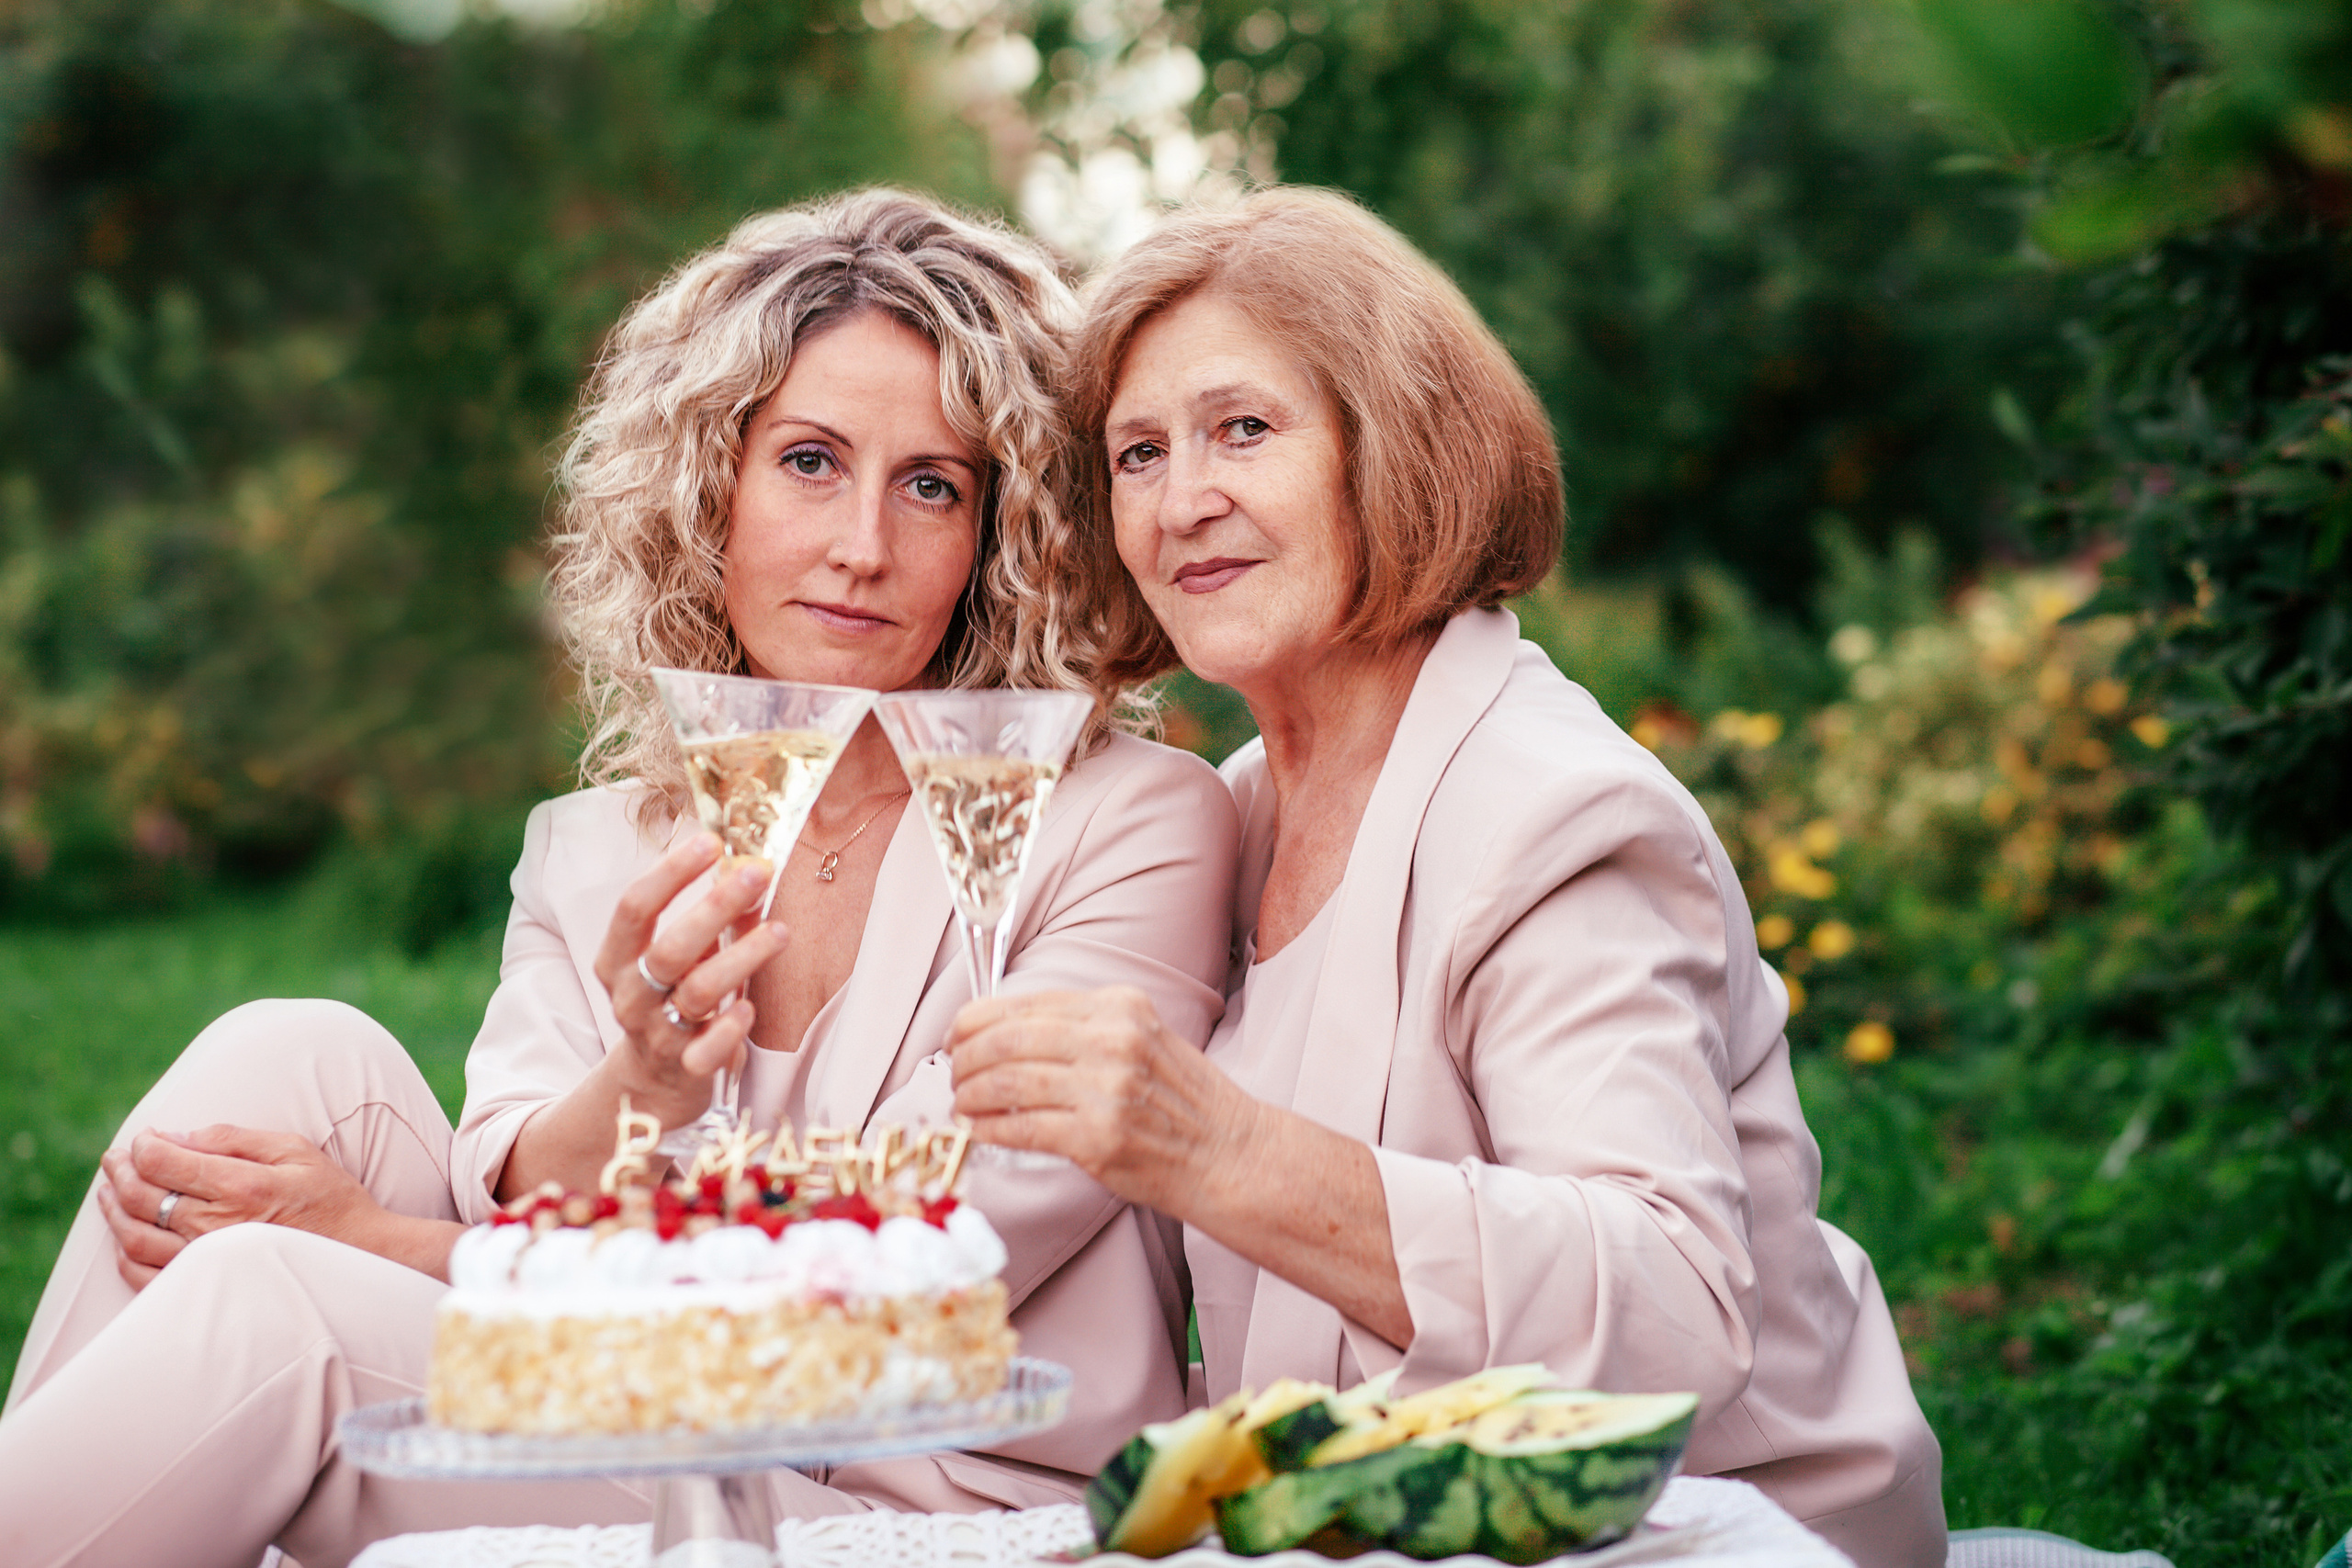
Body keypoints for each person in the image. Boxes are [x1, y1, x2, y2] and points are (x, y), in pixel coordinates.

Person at [0, 190, 1236, 1568]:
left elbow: (910, 1276)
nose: (862, 546)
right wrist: (644, 1082)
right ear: (712, 483)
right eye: (811, 461)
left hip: (919, 1497)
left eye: (931, 485)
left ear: (1004, 533)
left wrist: (371, 1249)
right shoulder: (597, 843)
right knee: (286, 1055)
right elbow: (514, 1179)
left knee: (276, 1305)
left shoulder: (1130, 824)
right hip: (637, 1411)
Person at [943, 187, 1948, 1566]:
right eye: (1136, 454)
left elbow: (1675, 1308)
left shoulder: (1551, 808)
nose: (1185, 502)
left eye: (1245, 428)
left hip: (1706, 1531)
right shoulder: (1224, 821)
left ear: (1394, 446)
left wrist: (1219, 1149)